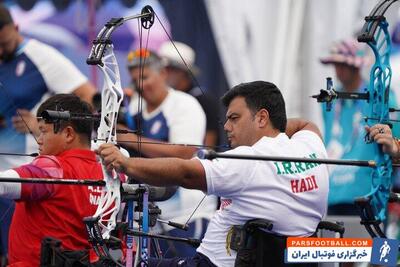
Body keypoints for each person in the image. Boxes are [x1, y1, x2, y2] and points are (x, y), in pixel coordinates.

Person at [98, 81, 330, 266]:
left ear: (261, 117)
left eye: (234, 119)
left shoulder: (247, 161)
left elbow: (185, 172)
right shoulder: (310, 147)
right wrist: (274, 130)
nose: (227, 127)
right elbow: (305, 125)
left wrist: (125, 163)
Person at [0, 4, 96, 260]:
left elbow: (88, 98)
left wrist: (37, 125)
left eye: (4, 44)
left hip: (30, 175)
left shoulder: (40, 55)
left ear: (16, 28)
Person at [121, 48, 217, 257]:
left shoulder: (184, 104)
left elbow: (183, 153)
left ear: (163, 73)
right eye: (135, 79)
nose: (140, 85)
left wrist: (130, 138)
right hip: (148, 219)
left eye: (146, 77)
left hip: (187, 216)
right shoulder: (133, 110)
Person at [0, 94, 103, 266]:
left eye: (43, 131)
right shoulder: (108, 172)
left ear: (69, 134)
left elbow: (4, 184)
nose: (39, 140)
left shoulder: (53, 169)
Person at [320, 38, 399, 218]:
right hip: (334, 195)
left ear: (355, 66)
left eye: (343, 65)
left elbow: (395, 147)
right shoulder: (330, 101)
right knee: (335, 246)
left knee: (377, 246)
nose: (338, 71)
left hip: (368, 194)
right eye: (335, 65)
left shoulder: (382, 98)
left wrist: (385, 184)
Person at [158, 41, 220, 147]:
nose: (164, 74)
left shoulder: (203, 100)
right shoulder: (163, 98)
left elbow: (209, 144)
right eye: (162, 69)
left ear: (182, 71)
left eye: (169, 69)